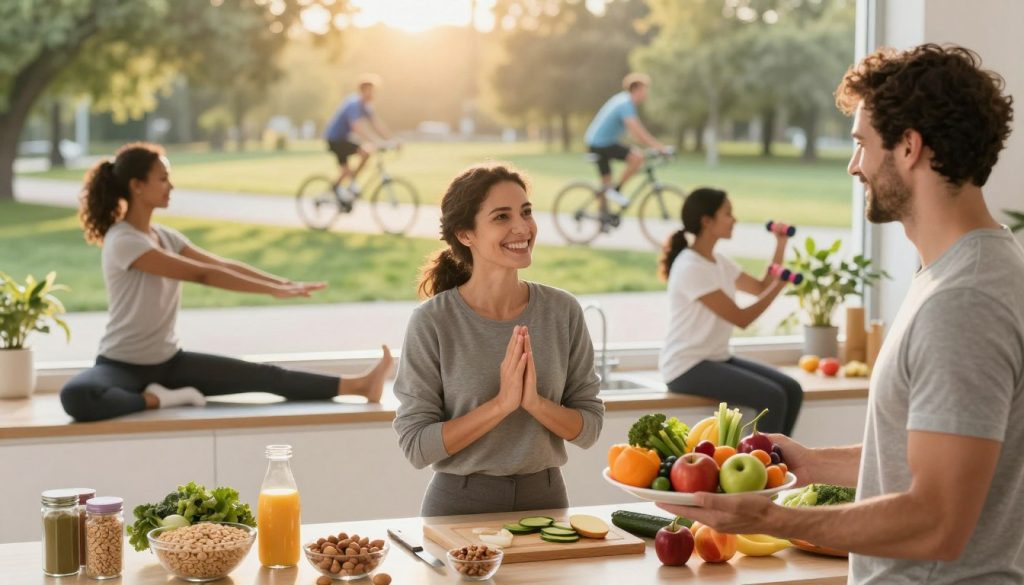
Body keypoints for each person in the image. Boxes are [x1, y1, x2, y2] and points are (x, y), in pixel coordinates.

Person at [660, 44, 1022, 584]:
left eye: (861, 144)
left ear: (908, 147)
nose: (854, 166)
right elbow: (916, 458)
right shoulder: (965, 270)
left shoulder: (963, 301)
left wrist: (771, 517)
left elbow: (938, 523)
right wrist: (811, 463)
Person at [60, 142, 393, 422]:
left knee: (266, 376)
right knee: (77, 396)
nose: (171, 186)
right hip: (122, 367)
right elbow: (200, 274)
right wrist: (272, 290)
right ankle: (159, 400)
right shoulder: (124, 240)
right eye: (163, 179)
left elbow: (220, 263)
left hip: (171, 364)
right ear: (137, 185)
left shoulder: (164, 236)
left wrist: (282, 282)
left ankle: (359, 386)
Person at [392, 164, 605, 516]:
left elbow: (589, 428)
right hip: (459, 505)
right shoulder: (433, 322)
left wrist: (534, 402)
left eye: (526, 212)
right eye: (501, 217)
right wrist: (501, 405)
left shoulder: (562, 311)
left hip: (547, 502)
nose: (522, 227)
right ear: (466, 235)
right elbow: (417, 446)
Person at [658, 188, 803, 435]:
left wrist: (780, 244)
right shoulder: (691, 267)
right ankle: (760, 469)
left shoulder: (717, 262)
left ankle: (780, 464)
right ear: (707, 221)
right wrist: (780, 284)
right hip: (686, 366)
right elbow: (741, 318)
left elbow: (760, 287)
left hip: (715, 357)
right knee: (772, 397)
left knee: (792, 389)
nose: (734, 219)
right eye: (728, 213)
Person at [584, 72, 669, 212]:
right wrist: (659, 147)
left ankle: (602, 217)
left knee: (606, 184)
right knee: (637, 157)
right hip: (601, 144)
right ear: (636, 89)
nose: (646, 93)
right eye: (645, 89)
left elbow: (632, 133)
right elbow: (637, 132)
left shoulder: (623, 101)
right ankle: (616, 190)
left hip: (598, 143)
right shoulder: (625, 104)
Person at [323, 74, 397, 199]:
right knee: (365, 152)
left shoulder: (365, 106)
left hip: (343, 139)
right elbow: (357, 128)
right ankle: (350, 184)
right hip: (335, 139)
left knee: (346, 171)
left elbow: (376, 123)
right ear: (364, 91)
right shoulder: (354, 104)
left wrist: (392, 140)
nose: (373, 94)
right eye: (371, 91)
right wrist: (376, 141)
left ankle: (335, 189)